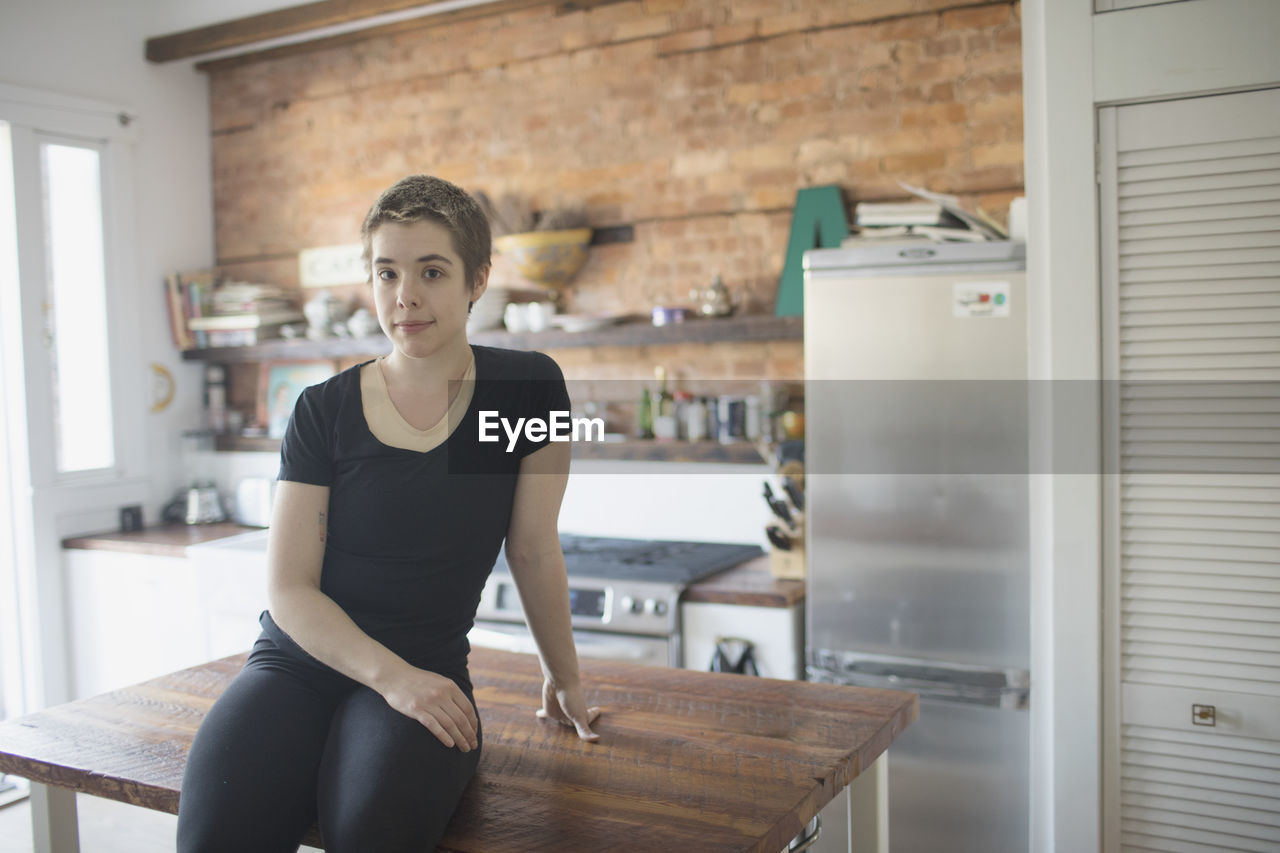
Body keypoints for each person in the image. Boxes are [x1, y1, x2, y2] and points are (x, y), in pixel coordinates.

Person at [176, 175, 600, 853]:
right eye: (387, 272)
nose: (406, 295)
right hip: (298, 664)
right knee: (213, 838)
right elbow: (288, 589)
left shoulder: (526, 391)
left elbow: (533, 547)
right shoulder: (324, 409)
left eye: (432, 271)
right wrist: (387, 677)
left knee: (370, 834)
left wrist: (565, 675)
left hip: (428, 669)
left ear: (477, 280)